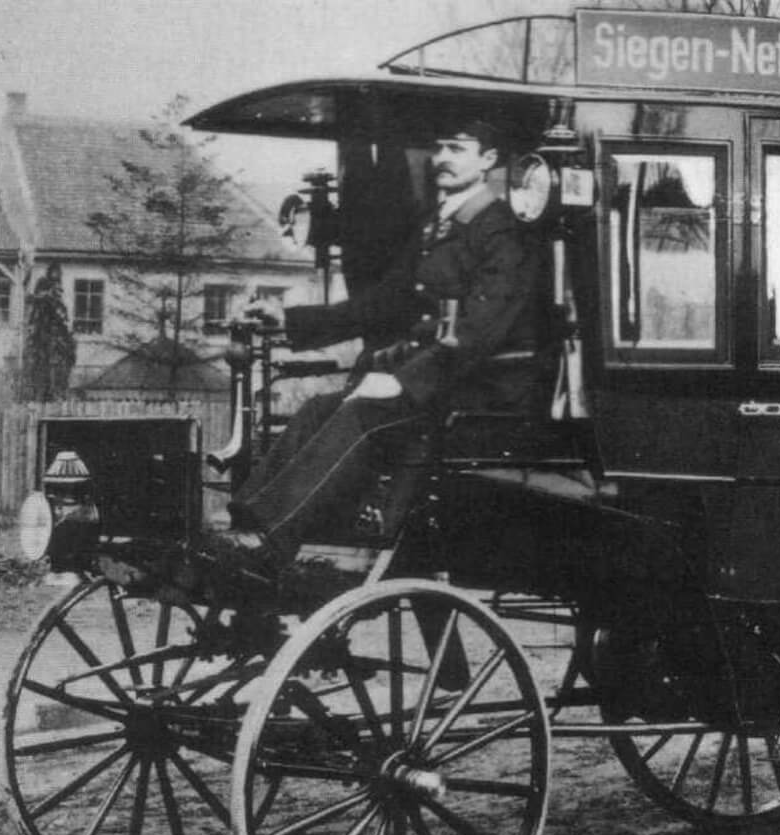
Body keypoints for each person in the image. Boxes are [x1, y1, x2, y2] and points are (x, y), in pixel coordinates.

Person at [199, 118, 544, 580]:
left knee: (362, 414)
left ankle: (269, 540)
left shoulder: (501, 232)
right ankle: (245, 526)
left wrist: (403, 382)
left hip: (480, 390)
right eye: (439, 147)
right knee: (319, 410)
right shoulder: (437, 226)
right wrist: (290, 319)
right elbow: (382, 303)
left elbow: (482, 331)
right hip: (436, 385)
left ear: (488, 160)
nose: (442, 158)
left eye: (456, 148)